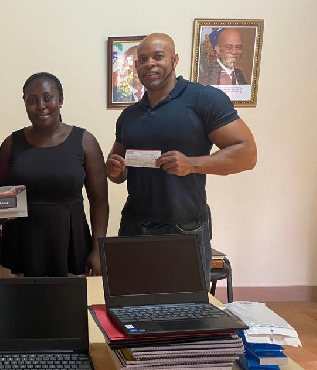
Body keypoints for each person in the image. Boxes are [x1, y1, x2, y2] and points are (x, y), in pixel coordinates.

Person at [105, 33, 257, 290]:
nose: (150, 63)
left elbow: (247, 153)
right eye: (143, 59)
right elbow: (117, 171)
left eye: (158, 56)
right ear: (136, 66)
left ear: (174, 60)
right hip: (134, 227)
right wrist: (114, 169)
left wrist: (193, 165)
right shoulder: (129, 115)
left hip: (183, 227)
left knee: (185, 313)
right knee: (131, 304)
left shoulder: (203, 99)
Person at [0, 72, 108, 277]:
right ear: (25, 104)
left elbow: (99, 201)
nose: (41, 105)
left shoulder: (85, 141)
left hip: (70, 247)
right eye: (32, 100)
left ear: (60, 100)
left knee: (68, 307)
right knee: (18, 307)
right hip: (22, 247)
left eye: (48, 98)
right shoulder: (11, 143)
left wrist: (98, 250)